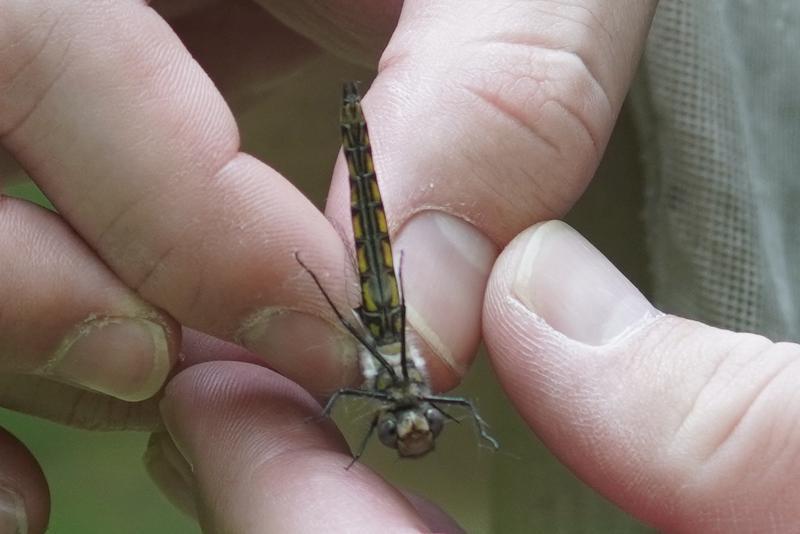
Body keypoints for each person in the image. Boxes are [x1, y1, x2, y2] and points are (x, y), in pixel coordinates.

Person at [1, 1, 797, 532]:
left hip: (378, 300)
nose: (410, 424)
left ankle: (355, 121)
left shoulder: (390, 386)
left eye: (404, 424)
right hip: (384, 291)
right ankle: (355, 120)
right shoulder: (404, 380)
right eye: (411, 424)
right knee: (369, 227)